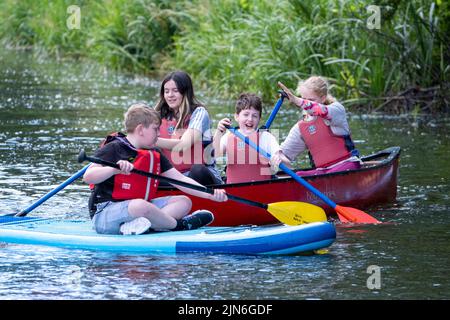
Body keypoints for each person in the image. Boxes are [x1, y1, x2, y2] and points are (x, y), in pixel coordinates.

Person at [83, 103, 227, 235]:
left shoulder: (154, 153)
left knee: (184, 202)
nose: (159, 134)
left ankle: (144, 226)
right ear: (140, 130)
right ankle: (179, 225)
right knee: (140, 206)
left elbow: (181, 180)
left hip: (140, 211)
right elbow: (88, 176)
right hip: (105, 213)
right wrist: (113, 170)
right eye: (155, 129)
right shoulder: (114, 148)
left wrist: (210, 193)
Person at [274, 76, 360, 176]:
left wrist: (297, 100)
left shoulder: (336, 110)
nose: (305, 105)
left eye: (310, 100)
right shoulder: (300, 127)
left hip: (347, 165)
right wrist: (277, 155)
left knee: (329, 174)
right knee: (299, 175)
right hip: (322, 173)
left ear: (323, 98)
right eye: (303, 99)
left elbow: (321, 110)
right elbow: (284, 154)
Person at [154, 71, 222, 185]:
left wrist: (151, 140)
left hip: (198, 177)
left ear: (185, 92)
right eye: (166, 91)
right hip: (173, 176)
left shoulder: (199, 113)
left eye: (175, 91)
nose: (170, 95)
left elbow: (183, 145)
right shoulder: (157, 115)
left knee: (198, 170)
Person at [213, 93, 291, 184]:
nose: (250, 119)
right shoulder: (228, 136)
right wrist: (218, 132)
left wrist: (279, 160)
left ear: (259, 119)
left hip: (262, 190)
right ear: (237, 116)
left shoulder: (266, 137)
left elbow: (288, 165)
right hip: (233, 191)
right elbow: (213, 156)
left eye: (254, 116)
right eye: (246, 114)